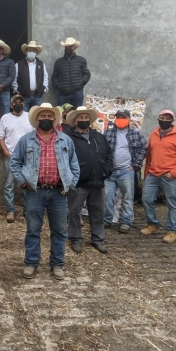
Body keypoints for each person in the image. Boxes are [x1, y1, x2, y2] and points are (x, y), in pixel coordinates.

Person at [10, 103, 79, 281]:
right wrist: (24, 182)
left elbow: (74, 165)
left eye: (50, 116)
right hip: (35, 192)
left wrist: (70, 184)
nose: (46, 119)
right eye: (43, 116)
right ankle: (31, 263)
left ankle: (57, 264)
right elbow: (15, 163)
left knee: (59, 230)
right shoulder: (26, 140)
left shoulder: (66, 140)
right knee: (33, 229)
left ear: (54, 119)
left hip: (58, 193)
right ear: (37, 119)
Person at [65, 107, 113, 254]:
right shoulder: (69, 138)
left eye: (86, 117)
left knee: (98, 211)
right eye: (80, 117)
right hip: (78, 183)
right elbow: (65, 159)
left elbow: (109, 155)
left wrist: (106, 171)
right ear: (75, 120)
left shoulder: (99, 137)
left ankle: (98, 239)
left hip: (98, 181)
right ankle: (76, 239)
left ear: (90, 120)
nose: (84, 120)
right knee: (74, 211)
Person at [140, 110, 176, 243]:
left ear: (172, 121)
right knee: (146, 198)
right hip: (153, 174)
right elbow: (150, 155)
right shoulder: (154, 133)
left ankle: (172, 231)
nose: (164, 120)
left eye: (167, 118)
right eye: (162, 117)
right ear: (158, 119)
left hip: (170, 176)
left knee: (172, 204)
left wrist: (174, 172)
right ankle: (153, 224)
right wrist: (147, 172)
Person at [103, 108, 148, 233]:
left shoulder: (136, 133)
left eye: (123, 117)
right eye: (118, 117)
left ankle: (126, 222)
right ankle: (107, 220)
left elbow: (143, 149)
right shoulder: (108, 133)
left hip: (126, 171)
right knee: (107, 196)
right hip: (111, 171)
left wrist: (135, 165)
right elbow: (101, 150)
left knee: (128, 197)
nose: (120, 120)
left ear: (128, 119)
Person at [0, 94, 34, 222]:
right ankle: (10, 211)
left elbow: (34, 135)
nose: (18, 103)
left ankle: (27, 210)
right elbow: (1, 137)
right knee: (9, 184)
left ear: (23, 104)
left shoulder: (29, 116)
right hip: (11, 156)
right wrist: (6, 152)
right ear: (11, 104)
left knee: (28, 184)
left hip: (27, 156)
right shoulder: (5, 118)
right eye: (15, 102)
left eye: (21, 101)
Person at [51, 38, 90, 108]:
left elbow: (87, 74)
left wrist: (80, 83)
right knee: (62, 115)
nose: (68, 48)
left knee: (77, 114)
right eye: (67, 47)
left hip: (77, 93)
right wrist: (59, 86)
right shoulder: (58, 62)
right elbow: (54, 77)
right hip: (63, 94)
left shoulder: (81, 60)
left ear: (74, 48)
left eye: (70, 47)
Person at [13, 40, 48, 112]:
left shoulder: (41, 64)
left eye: (34, 51)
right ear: (26, 52)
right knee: (24, 116)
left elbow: (45, 77)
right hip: (24, 95)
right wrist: (17, 90)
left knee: (36, 115)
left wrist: (44, 89)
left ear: (36, 53)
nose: (31, 52)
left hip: (37, 95)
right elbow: (14, 78)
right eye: (29, 50)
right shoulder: (19, 64)